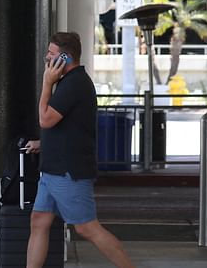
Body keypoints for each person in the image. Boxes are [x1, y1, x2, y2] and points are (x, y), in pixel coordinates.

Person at [26, 32, 134, 268]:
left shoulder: (74, 84)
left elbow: (45, 120)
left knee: (87, 228)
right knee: (39, 221)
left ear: (64, 58)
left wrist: (46, 83)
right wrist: (43, 144)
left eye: (51, 54)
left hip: (67, 172)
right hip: (53, 170)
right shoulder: (69, 82)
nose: (47, 58)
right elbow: (71, 127)